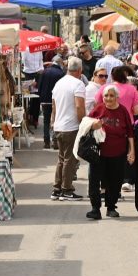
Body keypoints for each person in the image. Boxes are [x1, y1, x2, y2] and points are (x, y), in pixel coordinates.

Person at [86, 85, 135, 220]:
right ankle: (95, 208)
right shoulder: (98, 109)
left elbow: (130, 133)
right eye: (106, 96)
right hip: (98, 153)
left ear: (117, 97)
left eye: (112, 96)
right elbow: (85, 124)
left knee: (115, 181)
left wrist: (132, 151)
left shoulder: (123, 111)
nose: (108, 98)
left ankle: (111, 207)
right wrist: (92, 125)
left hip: (118, 153)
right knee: (94, 181)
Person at [50, 56, 87, 202]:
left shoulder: (59, 83)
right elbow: (79, 106)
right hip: (71, 126)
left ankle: (57, 188)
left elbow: (54, 106)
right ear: (79, 70)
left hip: (59, 125)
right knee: (70, 159)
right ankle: (66, 189)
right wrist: (83, 122)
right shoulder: (78, 84)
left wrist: (54, 123)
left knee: (62, 159)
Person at [37, 56, 65, 149]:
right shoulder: (61, 73)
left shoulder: (44, 72)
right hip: (56, 100)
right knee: (56, 120)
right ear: (59, 62)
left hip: (45, 100)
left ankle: (46, 142)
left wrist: (41, 96)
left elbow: (39, 86)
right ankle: (55, 141)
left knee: (46, 120)